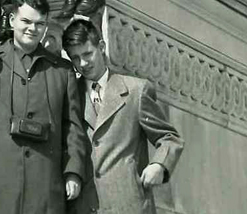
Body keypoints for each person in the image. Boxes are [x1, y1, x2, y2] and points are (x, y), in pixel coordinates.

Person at [0, 0, 89, 214]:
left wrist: (73, 171)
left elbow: (73, 127)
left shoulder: (62, 70)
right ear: (12, 20)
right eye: (26, 21)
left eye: (40, 24)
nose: (33, 29)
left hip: (43, 188)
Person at [63, 20, 184, 214]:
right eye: (75, 58)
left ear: (101, 47)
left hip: (129, 204)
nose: (83, 64)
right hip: (85, 206)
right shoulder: (68, 96)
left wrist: (159, 164)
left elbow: (169, 137)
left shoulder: (136, 90)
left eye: (87, 54)